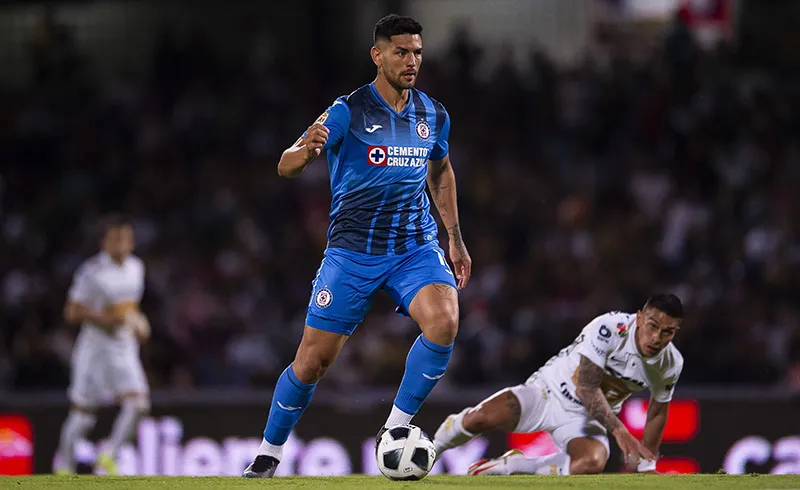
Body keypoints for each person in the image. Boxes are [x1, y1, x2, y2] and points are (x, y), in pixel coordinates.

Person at [243, 14, 471, 478]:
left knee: (445, 320)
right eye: (402, 52)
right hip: (352, 252)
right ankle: (268, 453)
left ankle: (394, 430)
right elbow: (285, 165)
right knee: (312, 362)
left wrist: (455, 238)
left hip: (414, 246)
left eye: (418, 53)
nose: (412, 62)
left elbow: (441, 171)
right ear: (378, 55)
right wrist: (306, 151)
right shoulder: (348, 109)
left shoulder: (433, 113)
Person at [433, 294, 684, 476]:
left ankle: (516, 467)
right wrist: (620, 431)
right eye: (653, 326)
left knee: (591, 464)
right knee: (479, 419)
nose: (656, 338)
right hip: (548, 391)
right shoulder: (610, 327)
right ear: (639, 318)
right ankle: (432, 450)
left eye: (668, 332)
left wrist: (647, 466)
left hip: (587, 419)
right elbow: (586, 387)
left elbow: (658, 410)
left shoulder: (670, 363)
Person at [55, 215, 151, 475]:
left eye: (125, 238)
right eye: (115, 239)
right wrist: (105, 319)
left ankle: (108, 457)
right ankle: (65, 466)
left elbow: (129, 308)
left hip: (123, 347)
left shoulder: (136, 267)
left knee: (138, 404)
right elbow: (71, 312)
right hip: (95, 348)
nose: (121, 244)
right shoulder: (92, 272)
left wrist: (138, 322)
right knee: (84, 415)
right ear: (104, 243)